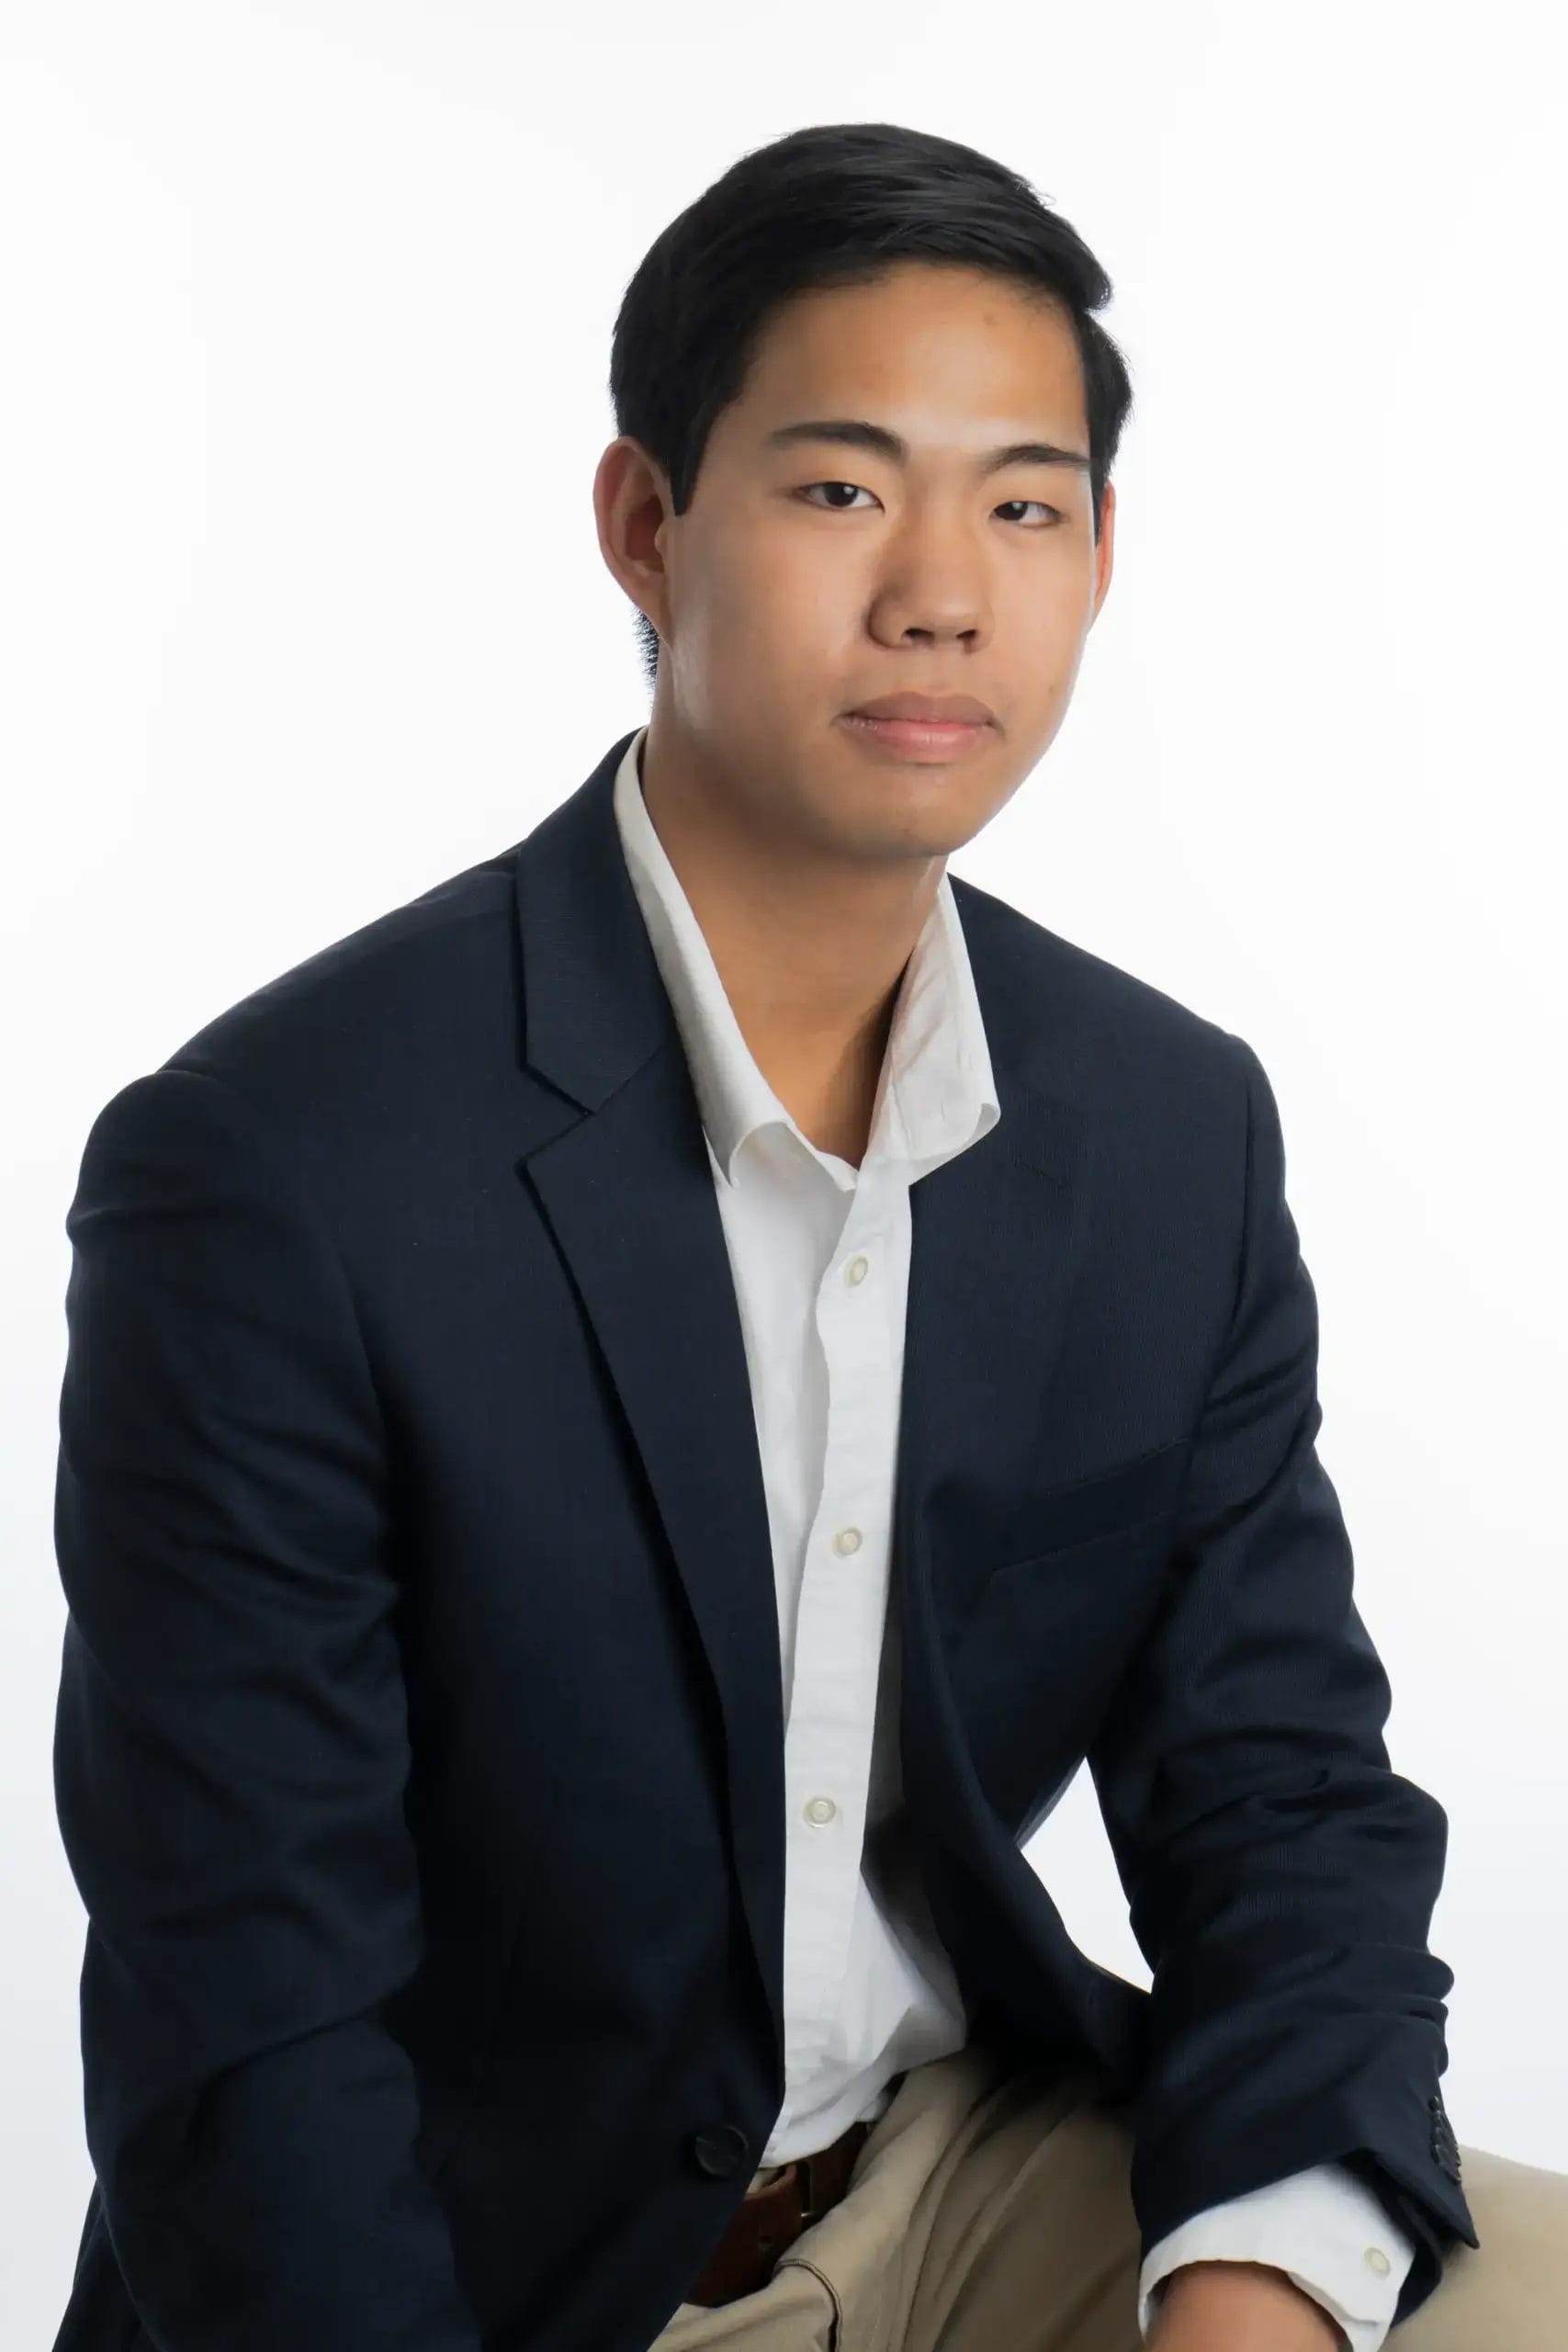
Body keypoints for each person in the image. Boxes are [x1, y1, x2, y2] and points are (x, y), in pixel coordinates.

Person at [47, 120, 1564, 2352]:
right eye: (842, 487)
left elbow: (1277, 1801)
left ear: (1098, 552)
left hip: (951, 2173)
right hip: (496, 2264)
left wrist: (1248, 2294)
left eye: (1021, 503)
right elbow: (246, 2036)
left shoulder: (1162, 1128)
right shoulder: (274, 1169)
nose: (940, 587)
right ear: (643, 526)